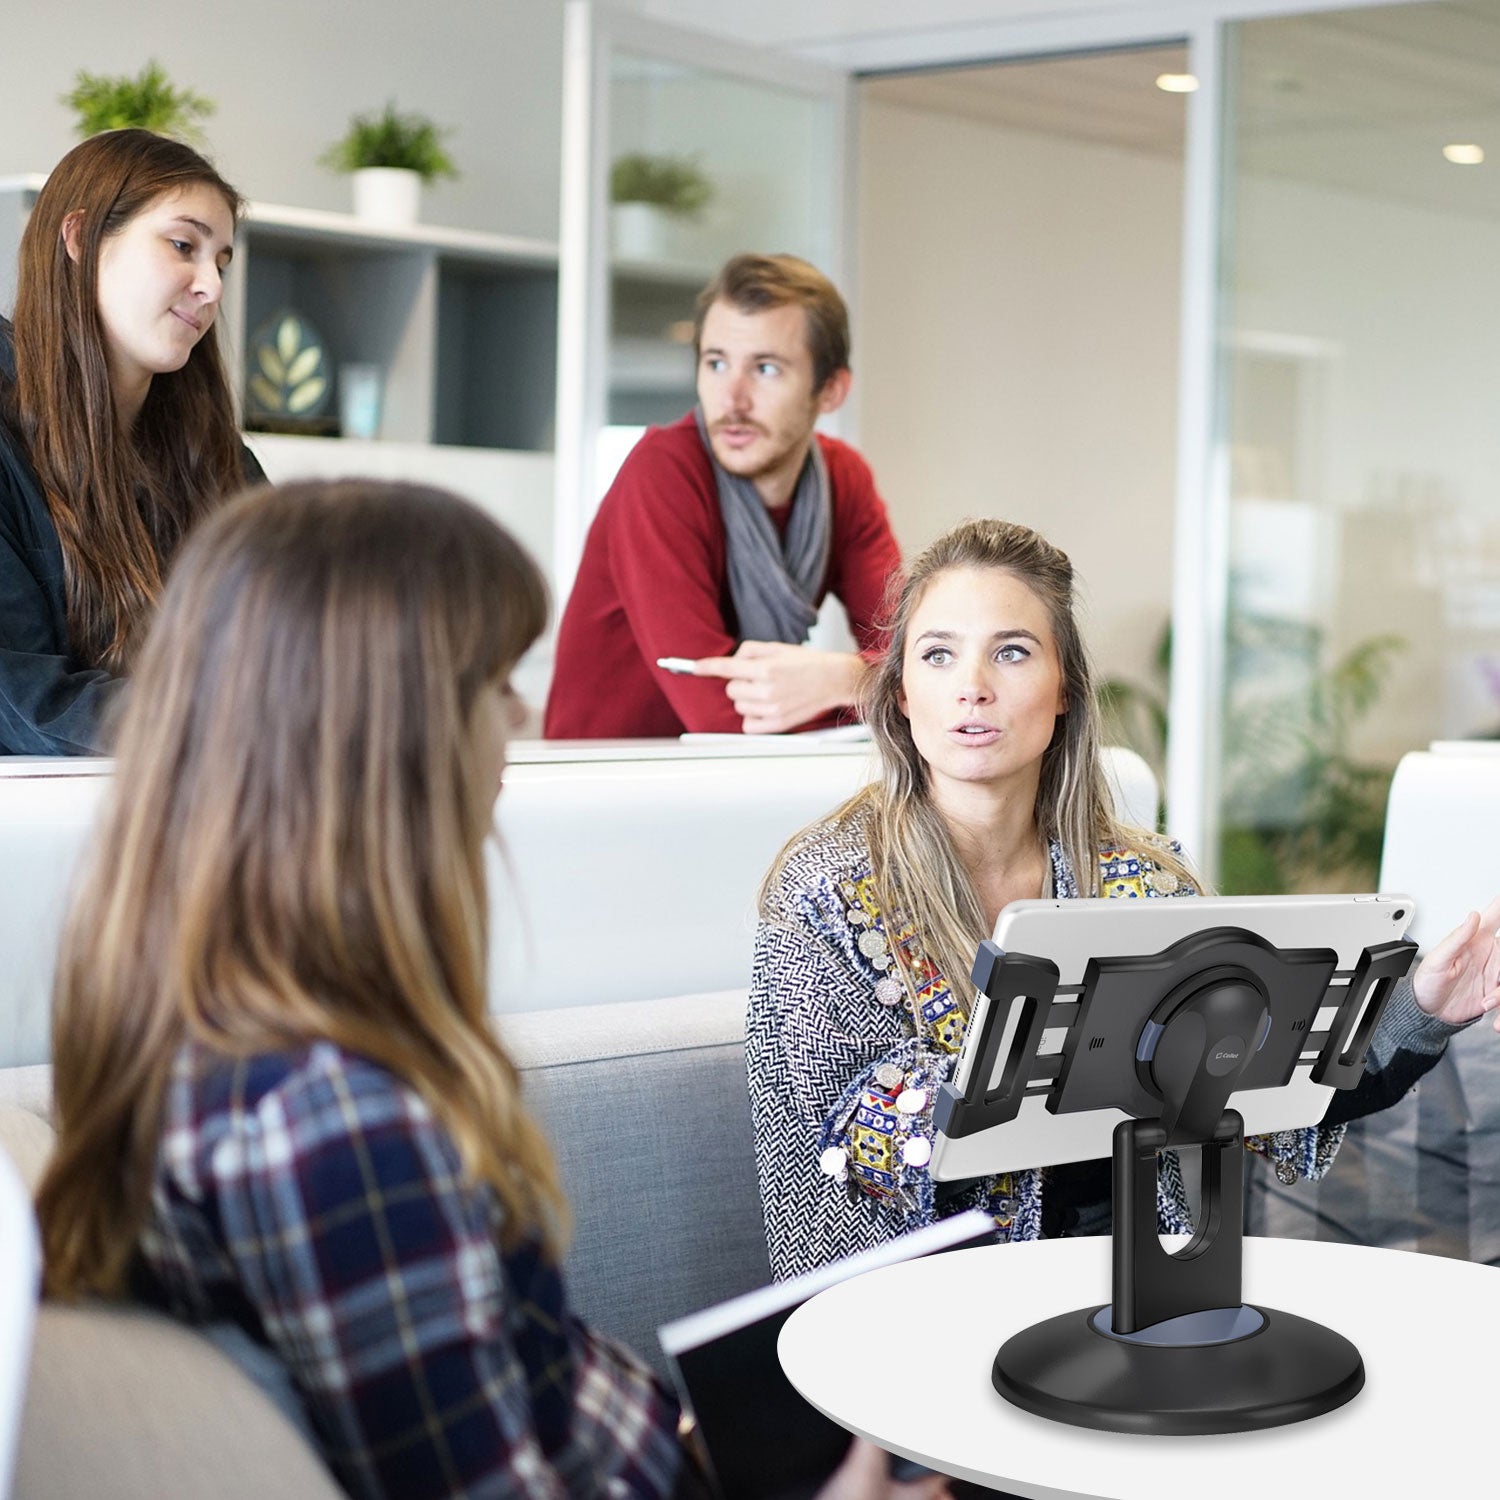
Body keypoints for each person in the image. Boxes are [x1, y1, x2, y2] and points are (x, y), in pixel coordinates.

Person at [33, 478, 949, 1500]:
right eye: (491, 683)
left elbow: (523, 1393)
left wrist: (694, 1439)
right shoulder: (336, 1125)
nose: (517, 719)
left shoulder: (230, 1036)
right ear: (387, 733)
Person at [746, 518, 1500, 1280]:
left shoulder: (1145, 882)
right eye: (938, 654)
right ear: (903, 692)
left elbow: (1272, 1086)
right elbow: (842, 1140)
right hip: (915, 1306)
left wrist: (1422, 1010)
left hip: (1142, 1294)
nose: (972, 685)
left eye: (1011, 651)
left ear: (1064, 689)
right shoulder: (823, 892)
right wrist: (1093, 1050)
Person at [544, 253, 902, 739]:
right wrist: (878, 688)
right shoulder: (662, 472)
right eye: (716, 363)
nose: (732, 399)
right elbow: (718, 713)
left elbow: (919, 655)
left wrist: (845, 677)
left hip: (739, 781)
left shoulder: (844, 479)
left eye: (766, 369)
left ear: (831, 391)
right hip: (610, 785)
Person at [0, 127, 263, 756]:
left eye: (222, 261)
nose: (212, 287)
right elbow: (24, 701)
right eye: (183, 245)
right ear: (79, 238)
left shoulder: (218, 459)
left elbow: (296, 647)